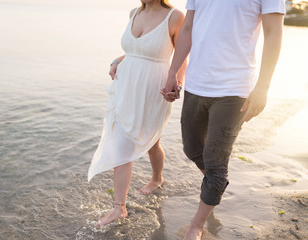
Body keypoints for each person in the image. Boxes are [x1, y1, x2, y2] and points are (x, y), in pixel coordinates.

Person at [161, 0, 285, 239]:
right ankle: (215, 184)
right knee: (192, 149)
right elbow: (187, 29)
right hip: (197, 83)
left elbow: (274, 32)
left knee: (216, 161)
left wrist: (263, 86)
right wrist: (172, 72)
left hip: (234, 88)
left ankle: (196, 224)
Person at [87, 0, 185, 226]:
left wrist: (177, 83)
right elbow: (133, 51)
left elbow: (182, 56)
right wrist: (116, 61)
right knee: (121, 142)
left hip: (153, 91)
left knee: (152, 142)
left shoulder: (175, 17)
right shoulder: (133, 13)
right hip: (125, 88)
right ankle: (119, 208)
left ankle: (157, 178)